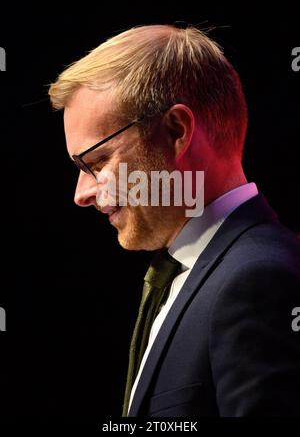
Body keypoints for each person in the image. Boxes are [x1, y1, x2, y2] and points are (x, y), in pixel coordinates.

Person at [49, 25, 300, 417]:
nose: (81, 194)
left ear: (176, 131)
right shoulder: (194, 270)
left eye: (96, 162)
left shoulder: (261, 279)